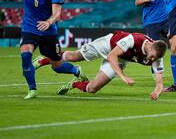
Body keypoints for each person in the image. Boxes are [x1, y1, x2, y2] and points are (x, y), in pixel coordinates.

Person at [0, 0, 87, 99]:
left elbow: (57, 12)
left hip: (48, 32)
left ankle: (77, 70)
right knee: (26, 55)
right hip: (29, 28)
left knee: (57, 67)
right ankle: (32, 89)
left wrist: (49, 21)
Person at [34, 31, 168, 100]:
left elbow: (159, 82)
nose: (150, 60)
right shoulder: (134, 39)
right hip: (107, 45)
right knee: (73, 57)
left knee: (93, 88)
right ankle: (44, 60)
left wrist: (156, 92)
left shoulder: (157, 57)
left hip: (121, 59)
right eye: (151, 56)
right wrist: (123, 76)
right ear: (150, 46)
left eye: (154, 59)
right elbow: (111, 56)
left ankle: (74, 84)